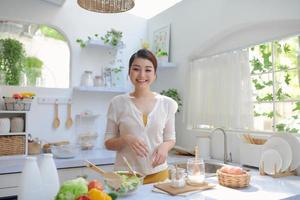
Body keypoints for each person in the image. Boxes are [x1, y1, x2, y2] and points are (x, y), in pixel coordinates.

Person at [104, 49, 178, 184]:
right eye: (136, 69)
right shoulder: (117, 103)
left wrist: (164, 147)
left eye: (148, 70)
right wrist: (126, 139)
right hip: (126, 176)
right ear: (129, 72)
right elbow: (108, 143)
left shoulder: (167, 104)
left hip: (159, 174)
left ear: (155, 74)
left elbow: (170, 139)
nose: (142, 75)